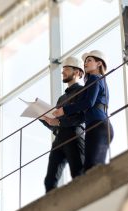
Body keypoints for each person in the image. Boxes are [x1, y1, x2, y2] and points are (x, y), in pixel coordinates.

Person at [53, 50, 113, 172]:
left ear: (99, 64)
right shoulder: (101, 80)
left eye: (89, 60)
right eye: (85, 61)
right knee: (94, 168)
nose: (85, 63)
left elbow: (88, 103)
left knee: (90, 169)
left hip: (97, 126)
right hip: (102, 126)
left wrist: (64, 110)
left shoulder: (94, 78)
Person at [40, 56, 86, 193]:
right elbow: (56, 124)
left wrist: (59, 121)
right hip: (59, 139)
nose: (63, 72)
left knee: (78, 174)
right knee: (49, 181)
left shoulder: (82, 91)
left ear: (77, 72)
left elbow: (81, 117)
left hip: (73, 136)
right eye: (63, 69)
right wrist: (44, 119)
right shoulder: (62, 98)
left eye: (66, 69)